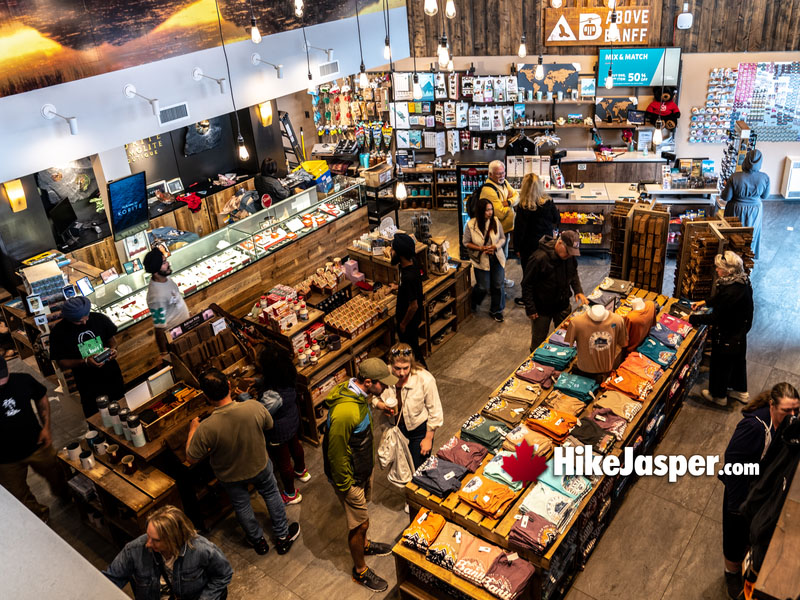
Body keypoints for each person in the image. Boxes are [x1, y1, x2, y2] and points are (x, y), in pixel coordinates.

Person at [186, 368, 299, 556]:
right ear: (229, 385)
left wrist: (192, 429)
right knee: (271, 493)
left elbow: (191, 457)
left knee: (242, 505)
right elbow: (269, 424)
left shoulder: (206, 427)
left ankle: (258, 541)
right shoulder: (253, 407)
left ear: (206, 396)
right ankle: (282, 537)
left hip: (230, 474)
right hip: (259, 464)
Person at [717, 382, 800, 600]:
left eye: (795, 410)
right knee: (734, 539)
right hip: (739, 496)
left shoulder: (784, 426)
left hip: (754, 492)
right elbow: (734, 464)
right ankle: (731, 574)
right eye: (787, 411)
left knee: (745, 537)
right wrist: (736, 508)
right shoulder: (754, 428)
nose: (792, 415)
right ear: (772, 405)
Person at [322, 358, 397, 592]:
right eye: (382, 384)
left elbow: (366, 402)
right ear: (367, 382)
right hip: (350, 478)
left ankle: (365, 545)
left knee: (363, 517)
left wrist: (379, 405)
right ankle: (360, 570)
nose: (385, 388)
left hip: (362, 466)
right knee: (360, 525)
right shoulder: (345, 412)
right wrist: (347, 486)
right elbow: (335, 454)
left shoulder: (358, 394)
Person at [103, 504, 233, 600]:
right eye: (147, 536)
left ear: (174, 539)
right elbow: (109, 580)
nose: (147, 543)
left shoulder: (202, 550)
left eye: (156, 540)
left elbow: (223, 575)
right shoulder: (134, 550)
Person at [0, 357, 68, 522]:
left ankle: (67, 496)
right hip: (5, 459)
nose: (2, 382)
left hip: (36, 444)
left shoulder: (22, 380)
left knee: (56, 473)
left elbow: (41, 396)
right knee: (18, 495)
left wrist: (46, 427)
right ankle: (40, 517)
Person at [689, 251, 754, 407]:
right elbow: (722, 299)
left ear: (728, 270)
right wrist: (705, 302)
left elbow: (715, 317)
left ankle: (718, 396)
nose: (716, 270)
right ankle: (741, 391)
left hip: (728, 333)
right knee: (737, 361)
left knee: (721, 364)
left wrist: (692, 318)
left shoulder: (730, 291)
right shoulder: (741, 281)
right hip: (740, 330)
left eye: (718, 268)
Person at [49, 296, 125, 417]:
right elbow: (62, 362)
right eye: (79, 321)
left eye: (86, 318)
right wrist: (85, 361)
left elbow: (112, 341)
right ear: (69, 318)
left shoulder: (99, 319)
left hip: (112, 376)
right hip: (88, 383)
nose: (84, 322)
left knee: (122, 408)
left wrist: (113, 350)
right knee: (96, 416)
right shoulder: (59, 333)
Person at [373, 343, 443, 471]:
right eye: (397, 368)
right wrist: (381, 405)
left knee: (418, 469)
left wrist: (428, 438)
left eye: (406, 368)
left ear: (411, 364)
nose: (401, 373)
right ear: (390, 365)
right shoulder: (384, 375)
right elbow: (373, 395)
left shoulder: (424, 379)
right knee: (400, 467)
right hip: (396, 428)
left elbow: (435, 411)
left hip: (418, 430)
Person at [256, 344, 310, 506]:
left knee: (284, 463)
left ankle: (290, 493)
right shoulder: (288, 377)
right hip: (292, 420)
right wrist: (258, 382)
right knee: (296, 446)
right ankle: (301, 471)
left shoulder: (272, 394)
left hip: (278, 430)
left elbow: (261, 411)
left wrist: (245, 398)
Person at [521, 231, 588, 351]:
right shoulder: (538, 258)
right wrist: (530, 308)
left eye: (572, 253)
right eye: (568, 251)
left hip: (562, 305)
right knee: (539, 341)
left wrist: (578, 291)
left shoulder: (569, 258)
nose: (569, 255)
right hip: (542, 310)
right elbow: (527, 285)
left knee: (565, 337)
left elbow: (573, 274)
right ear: (560, 243)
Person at [513, 173, 561, 306]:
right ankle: (543, 298)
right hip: (546, 244)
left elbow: (519, 230)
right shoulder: (548, 202)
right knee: (544, 271)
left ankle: (528, 300)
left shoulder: (523, 206)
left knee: (528, 274)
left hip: (528, 246)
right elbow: (556, 219)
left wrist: (516, 248)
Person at [463, 197, 507, 322]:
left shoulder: (496, 221)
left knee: (498, 285)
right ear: (481, 211)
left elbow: (503, 238)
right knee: (483, 287)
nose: (490, 212)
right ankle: (473, 301)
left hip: (496, 258)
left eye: (491, 209)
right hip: (481, 260)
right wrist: (480, 248)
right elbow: (466, 242)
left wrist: (496, 246)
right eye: (487, 210)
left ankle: (496, 310)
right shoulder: (471, 225)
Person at [143, 248, 190, 361]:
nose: (168, 263)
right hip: (176, 338)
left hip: (186, 328)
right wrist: (164, 353)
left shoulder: (165, 278)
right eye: (163, 263)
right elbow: (159, 327)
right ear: (155, 270)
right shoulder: (156, 296)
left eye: (166, 260)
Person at [721, 149, 769, 259]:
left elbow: (726, 197)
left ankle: (730, 259)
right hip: (754, 210)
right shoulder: (765, 177)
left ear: (746, 160)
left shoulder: (735, 176)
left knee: (732, 235)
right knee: (751, 234)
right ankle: (747, 257)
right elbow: (765, 196)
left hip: (735, 209)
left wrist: (726, 186)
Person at [480, 160, 518, 288]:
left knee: (503, 257)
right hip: (494, 233)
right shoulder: (489, 191)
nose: (502, 176)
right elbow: (500, 213)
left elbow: (517, 195)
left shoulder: (504, 183)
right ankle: (496, 286)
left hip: (505, 230)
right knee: (497, 259)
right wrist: (510, 203)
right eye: (498, 174)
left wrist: (508, 202)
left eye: (503, 172)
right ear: (490, 174)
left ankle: (500, 280)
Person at [390, 233, 426, 364]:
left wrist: (403, 324)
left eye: (393, 249)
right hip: (409, 318)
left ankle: (422, 373)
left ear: (399, 253)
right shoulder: (408, 264)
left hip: (408, 321)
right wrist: (398, 286)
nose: (390, 251)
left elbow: (413, 306)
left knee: (412, 351)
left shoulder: (408, 277)